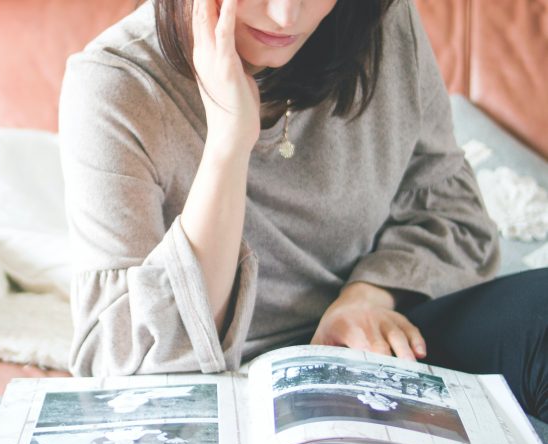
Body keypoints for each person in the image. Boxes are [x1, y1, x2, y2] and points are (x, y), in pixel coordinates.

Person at [59, 0, 547, 421]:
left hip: (378, 344)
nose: (286, 16)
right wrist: (229, 142)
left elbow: (452, 209)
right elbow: (126, 369)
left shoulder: (378, 23)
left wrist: (366, 299)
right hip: (228, 394)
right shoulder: (115, 85)